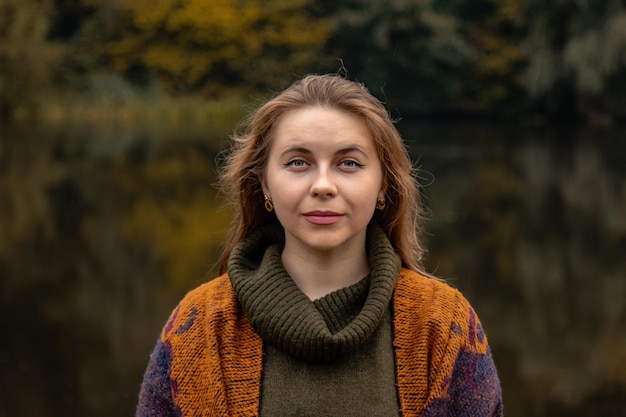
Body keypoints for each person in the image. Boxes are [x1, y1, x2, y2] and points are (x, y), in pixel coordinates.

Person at [136, 74, 503, 416]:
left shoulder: (442, 324)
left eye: (349, 163)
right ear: (264, 183)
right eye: (298, 162)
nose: (323, 185)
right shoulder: (199, 327)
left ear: (383, 185)